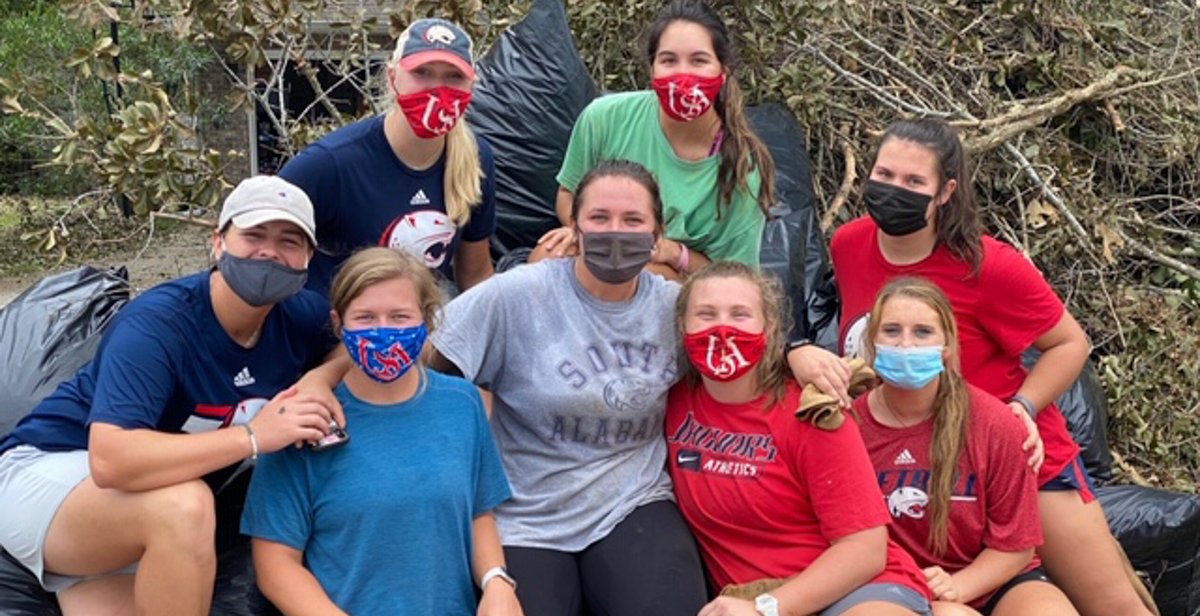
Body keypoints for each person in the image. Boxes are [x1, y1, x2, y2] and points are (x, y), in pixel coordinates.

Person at [791, 118, 1153, 616]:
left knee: (1114, 605)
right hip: (914, 457)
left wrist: (1024, 406)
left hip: (1016, 457)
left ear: (945, 192)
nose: (895, 190)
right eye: (885, 174)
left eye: (915, 182)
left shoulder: (987, 264)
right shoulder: (850, 244)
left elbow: (1070, 343)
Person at [0, 176, 339, 616]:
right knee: (186, 505)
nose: (269, 253)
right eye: (254, 235)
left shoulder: (300, 315)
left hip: (136, 515)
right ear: (218, 242)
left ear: (308, 258)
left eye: (289, 241)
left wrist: (322, 377)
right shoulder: (159, 324)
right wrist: (255, 436)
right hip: (54, 475)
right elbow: (111, 460)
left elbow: (352, 340)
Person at [429, 159, 707, 616]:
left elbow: (745, 341)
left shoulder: (675, 309)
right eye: (599, 218)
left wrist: (796, 350)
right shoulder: (517, 296)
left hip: (631, 500)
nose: (615, 232)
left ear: (657, 236)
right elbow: (429, 361)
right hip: (525, 511)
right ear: (574, 227)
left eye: (632, 221)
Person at [242, 247, 520, 616]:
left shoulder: (463, 404)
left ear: (427, 320)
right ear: (339, 325)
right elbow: (276, 564)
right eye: (366, 317)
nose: (384, 331)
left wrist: (496, 581)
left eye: (399, 316)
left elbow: (478, 512)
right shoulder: (303, 422)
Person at [666, 261, 933, 616]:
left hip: (852, 590)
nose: (723, 328)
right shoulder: (673, 398)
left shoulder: (812, 408)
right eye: (706, 314)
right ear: (682, 324)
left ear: (770, 325)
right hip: (749, 595)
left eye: (740, 314)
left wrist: (768, 608)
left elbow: (866, 549)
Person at [856, 277, 1079, 616]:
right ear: (871, 343)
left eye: (922, 332)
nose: (905, 345)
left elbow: (1017, 547)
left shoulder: (995, 423)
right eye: (891, 331)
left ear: (946, 349)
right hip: (891, 585)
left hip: (996, 577)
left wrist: (959, 586)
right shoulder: (849, 428)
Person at [533, 0, 775, 278]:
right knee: (546, 256)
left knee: (643, 274)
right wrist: (583, 233)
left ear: (723, 72)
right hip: (596, 250)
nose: (683, 75)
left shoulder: (742, 167)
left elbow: (735, 277)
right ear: (652, 69)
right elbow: (567, 193)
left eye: (699, 60)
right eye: (669, 60)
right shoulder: (604, 117)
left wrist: (674, 253)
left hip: (671, 280)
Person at [280, 17, 497, 296]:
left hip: (423, 329)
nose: (437, 89)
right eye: (422, 72)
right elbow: (260, 254)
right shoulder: (330, 163)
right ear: (392, 77)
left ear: (471, 85)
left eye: (454, 77)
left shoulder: (477, 159)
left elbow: (476, 276)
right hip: (336, 332)